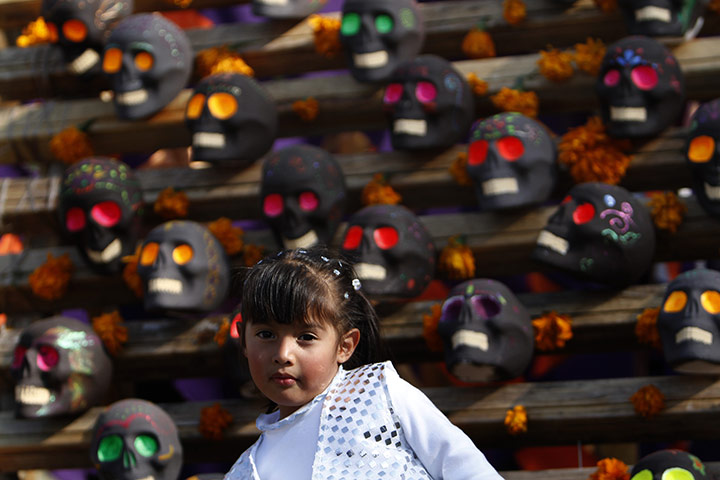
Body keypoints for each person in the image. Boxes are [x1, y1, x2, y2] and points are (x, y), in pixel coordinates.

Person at [225, 247, 504, 480]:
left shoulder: (381, 396)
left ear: (345, 346)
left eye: (306, 337)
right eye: (265, 334)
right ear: (245, 343)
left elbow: (468, 470)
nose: (283, 354)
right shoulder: (245, 471)